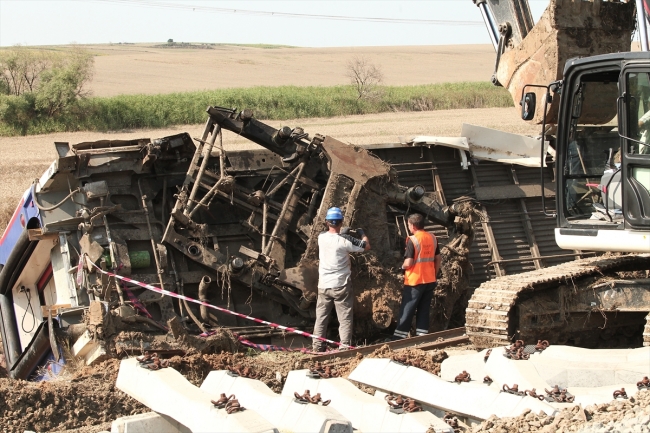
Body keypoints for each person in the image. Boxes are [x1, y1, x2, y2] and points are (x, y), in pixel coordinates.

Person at [312, 207, 370, 352]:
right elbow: (366, 246)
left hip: (324, 285)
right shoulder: (345, 241)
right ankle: (344, 347)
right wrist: (362, 233)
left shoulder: (321, 238)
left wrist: (343, 233)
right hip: (341, 286)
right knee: (344, 319)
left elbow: (332, 237)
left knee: (321, 318)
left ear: (326, 222)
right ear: (341, 222)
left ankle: (317, 347)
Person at [392, 213, 441, 340]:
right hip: (430, 279)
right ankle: (422, 336)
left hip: (415, 280)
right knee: (424, 309)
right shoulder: (432, 237)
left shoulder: (412, 240)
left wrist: (401, 268)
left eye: (408, 225)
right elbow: (438, 259)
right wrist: (434, 275)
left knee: (408, 308)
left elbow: (408, 262)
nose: (408, 227)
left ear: (412, 226)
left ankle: (399, 337)